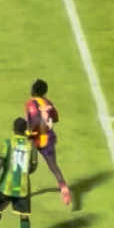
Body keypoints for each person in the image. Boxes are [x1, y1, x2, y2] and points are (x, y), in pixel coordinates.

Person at [25, 79, 72, 207]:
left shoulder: (30, 104)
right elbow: (56, 118)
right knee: (53, 166)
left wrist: (29, 132)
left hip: (35, 139)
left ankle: (24, 194)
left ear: (33, 90)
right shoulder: (48, 102)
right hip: (49, 139)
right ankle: (64, 188)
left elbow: (34, 119)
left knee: (28, 167)